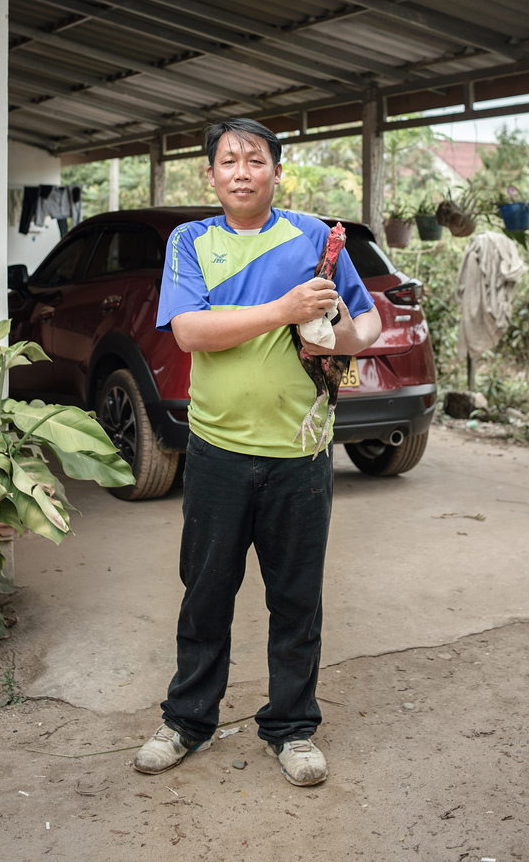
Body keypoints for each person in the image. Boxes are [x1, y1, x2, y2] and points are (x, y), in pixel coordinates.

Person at [133, 118, 382, 786]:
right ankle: (187, 721)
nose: (241, 171)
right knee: (206, 593)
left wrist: (334, 336)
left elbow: (367, 322)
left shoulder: (316, 237)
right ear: (211, 174)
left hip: (301, 453)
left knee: (296, 598)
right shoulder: (192, 241)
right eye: (228, 160)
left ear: (276, 170)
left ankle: (292, 728)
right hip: (217, 450)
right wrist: (284, 309)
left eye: (255, 160)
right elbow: (189, 331)